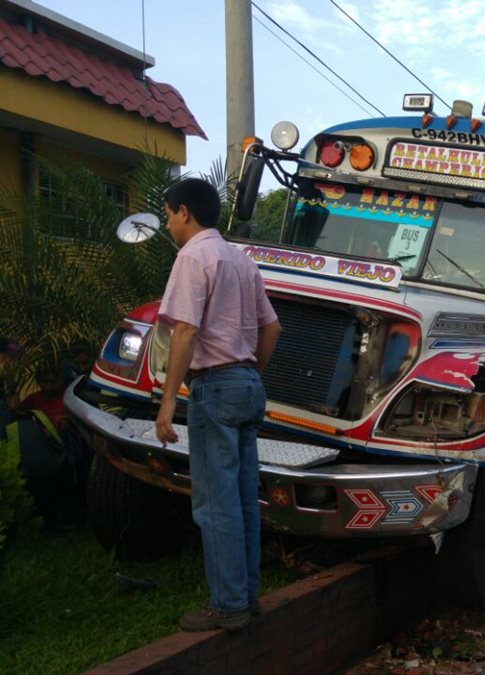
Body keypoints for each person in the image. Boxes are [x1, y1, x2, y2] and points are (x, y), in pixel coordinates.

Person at [154, 178, 282, 632]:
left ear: (185, 212)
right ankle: (246, 598)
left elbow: (185, 332)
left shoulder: (193, 257)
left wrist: (168, 401)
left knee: (214, 502)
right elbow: (272, 329)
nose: (168, 223)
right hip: (248, 384)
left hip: (214, 385)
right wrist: (249, 375)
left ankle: (226, 605)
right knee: (244, 498)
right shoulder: (240, 259)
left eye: (168, 214)